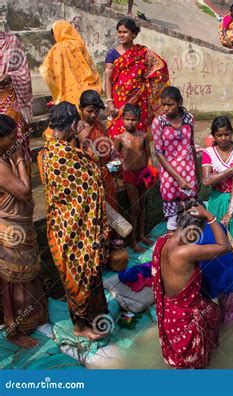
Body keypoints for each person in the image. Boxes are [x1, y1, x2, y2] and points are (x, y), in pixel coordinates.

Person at [41, 102, 110, 340]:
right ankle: (80, 327)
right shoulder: (64, 155)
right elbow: (93, 175)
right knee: (82, 273)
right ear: (71, 125)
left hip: (64, 226)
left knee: (81, 274)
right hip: (75, 229)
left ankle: (89, 318)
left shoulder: (48, 151)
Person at [152, 201, 230, 369]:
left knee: (213, 310)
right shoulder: (186, 251)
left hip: (168, 313)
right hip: (183, 318)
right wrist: (210, 216)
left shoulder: (162, 241)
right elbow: (224, 246)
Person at [0, 115, 48, 348]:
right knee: (14, 282)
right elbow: (26, 192)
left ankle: (32, 319)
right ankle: (15, 332)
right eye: (11, 139)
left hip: (21, 225)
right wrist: (19, 158)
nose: (15, 142)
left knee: (29, 275)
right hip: (10, 229)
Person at [105, 18, 170, 139]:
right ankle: (118, 157)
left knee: (139, 132)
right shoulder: (111, 53)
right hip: (119, 100)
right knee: (117, 131)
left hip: (140, 101)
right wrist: (109, 102)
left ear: (134, 34)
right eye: (119, 32)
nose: (121, 35)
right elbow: (108, 79)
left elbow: (160, 67)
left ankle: (139, 157)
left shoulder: (143, 52)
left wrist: (151, 89)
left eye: (125, 32)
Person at [152, 86, 198, 232]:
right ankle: (172, 250)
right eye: (163, 105)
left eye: (170, 104)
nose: (165, 108)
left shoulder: (189, 118)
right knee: (172, 218)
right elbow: (159, 153)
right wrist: (178, 179)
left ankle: (190, 248)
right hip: (170, 176)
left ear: (179, 102)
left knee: (191, 215)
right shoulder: (159, 122)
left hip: (188, 172)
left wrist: (197, 175)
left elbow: (191, 146)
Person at [201, 116, 233, 253]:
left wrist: (230, 211)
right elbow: (206, 181)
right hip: (217, 198)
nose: (223, 138)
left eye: (226, 134)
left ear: (231, 133)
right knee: (216, 238)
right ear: (213, 135)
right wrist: (231, 170)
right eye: (219, 135)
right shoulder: (208, 153)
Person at [114, 104, 154, 253]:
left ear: (138, 120)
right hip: (129, 174)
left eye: (133, 119)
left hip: (143, 173)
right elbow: (114, 158)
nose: (130, 122)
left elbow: (148, 155)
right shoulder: (119, 138)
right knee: (135, 207)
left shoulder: (143, 136)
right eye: (127, 119)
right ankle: (132, 241)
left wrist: (150, 172)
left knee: (143, 205)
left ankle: (141, 235)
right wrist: (117, 178)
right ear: (122, 119)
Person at [40, 21, 101, 108]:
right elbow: (90, 65)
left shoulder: (58, 48)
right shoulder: (80, 44)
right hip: (87, 87)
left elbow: (47, 69)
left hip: (69, 90)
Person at [77, 90, 118, 210]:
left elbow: (107, 146)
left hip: (106, 174)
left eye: (97, 111)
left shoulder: (99, 125)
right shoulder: (79, 128)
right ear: (80, 108)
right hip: (91, 178)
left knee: (112, 210)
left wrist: (113, 158)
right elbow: (92, 152)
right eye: (89, 111)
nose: (94, 115)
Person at [0, 32, 33, 163]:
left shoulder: (11, 40)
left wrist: (10, 76)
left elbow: (23, 72)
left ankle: (21, 178)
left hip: (11, 100)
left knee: (14, 137)